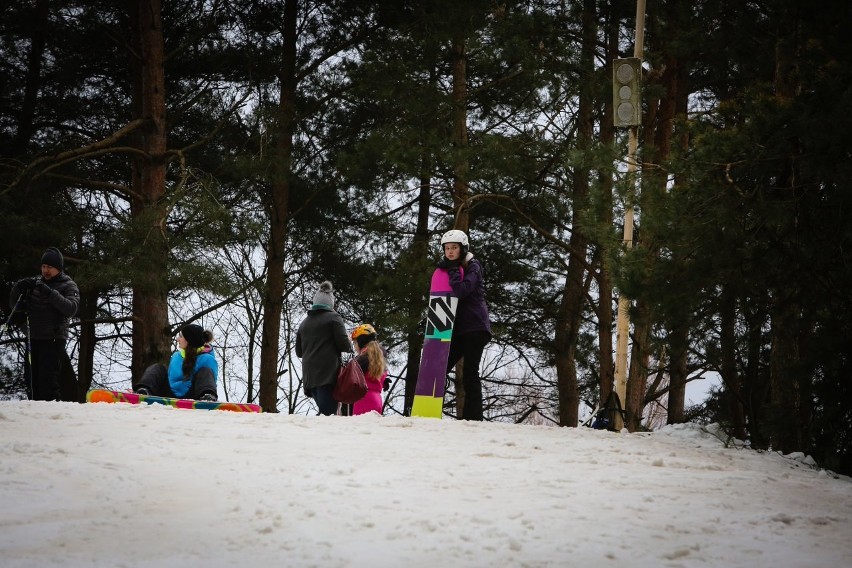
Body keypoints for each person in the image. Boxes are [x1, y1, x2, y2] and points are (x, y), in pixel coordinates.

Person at [8, 247, 80, 401]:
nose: (46, 271)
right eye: (44, 267)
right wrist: (18, 288)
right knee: (31, 380)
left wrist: (49, 293)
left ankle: (50, 413)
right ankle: (33, 414)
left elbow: (71, 309)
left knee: (47, 382)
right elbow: (15, 306)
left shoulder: (68, 285)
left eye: (50, 267)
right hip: (32, 339)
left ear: (58, 269)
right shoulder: (35, 283)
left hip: (53, 340)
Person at [437, 229, 492, 421]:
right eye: (447, 248)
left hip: (476, 327)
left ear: (463, 248)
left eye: (454, 248)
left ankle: (473, 418)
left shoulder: (473, 266)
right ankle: (433, 407)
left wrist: (452, 270)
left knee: (470, 371)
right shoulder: (453, 267)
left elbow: (462, 290)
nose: (450, 251)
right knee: (440, 366)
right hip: (461, 329)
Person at [296, 281, 352, 416]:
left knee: (324, 412)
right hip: (328, 375)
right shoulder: (334, 318)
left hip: (309, 376)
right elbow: (345, 346)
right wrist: (349, 342)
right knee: (329, 415)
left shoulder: (304, 323)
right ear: (330, 304)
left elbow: (299, 352)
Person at [134, 324, 218, 401]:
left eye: (181, 336)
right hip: (170, 393)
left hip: (193, 395)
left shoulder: (207, 359)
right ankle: (144, 390)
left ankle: (207, 397)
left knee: (206, 371)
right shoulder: (176, 356)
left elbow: (210, 380)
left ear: (189, 340)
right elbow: (170, 378)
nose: (177, 339)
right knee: (157, 368)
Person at [350, 324, 389, 416]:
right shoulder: (379, 357)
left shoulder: (362, 359)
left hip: (363, 399)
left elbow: (349, 378)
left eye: (355, 343)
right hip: (377, 400)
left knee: (360, 429)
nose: (354, 346)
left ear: (361, 342)